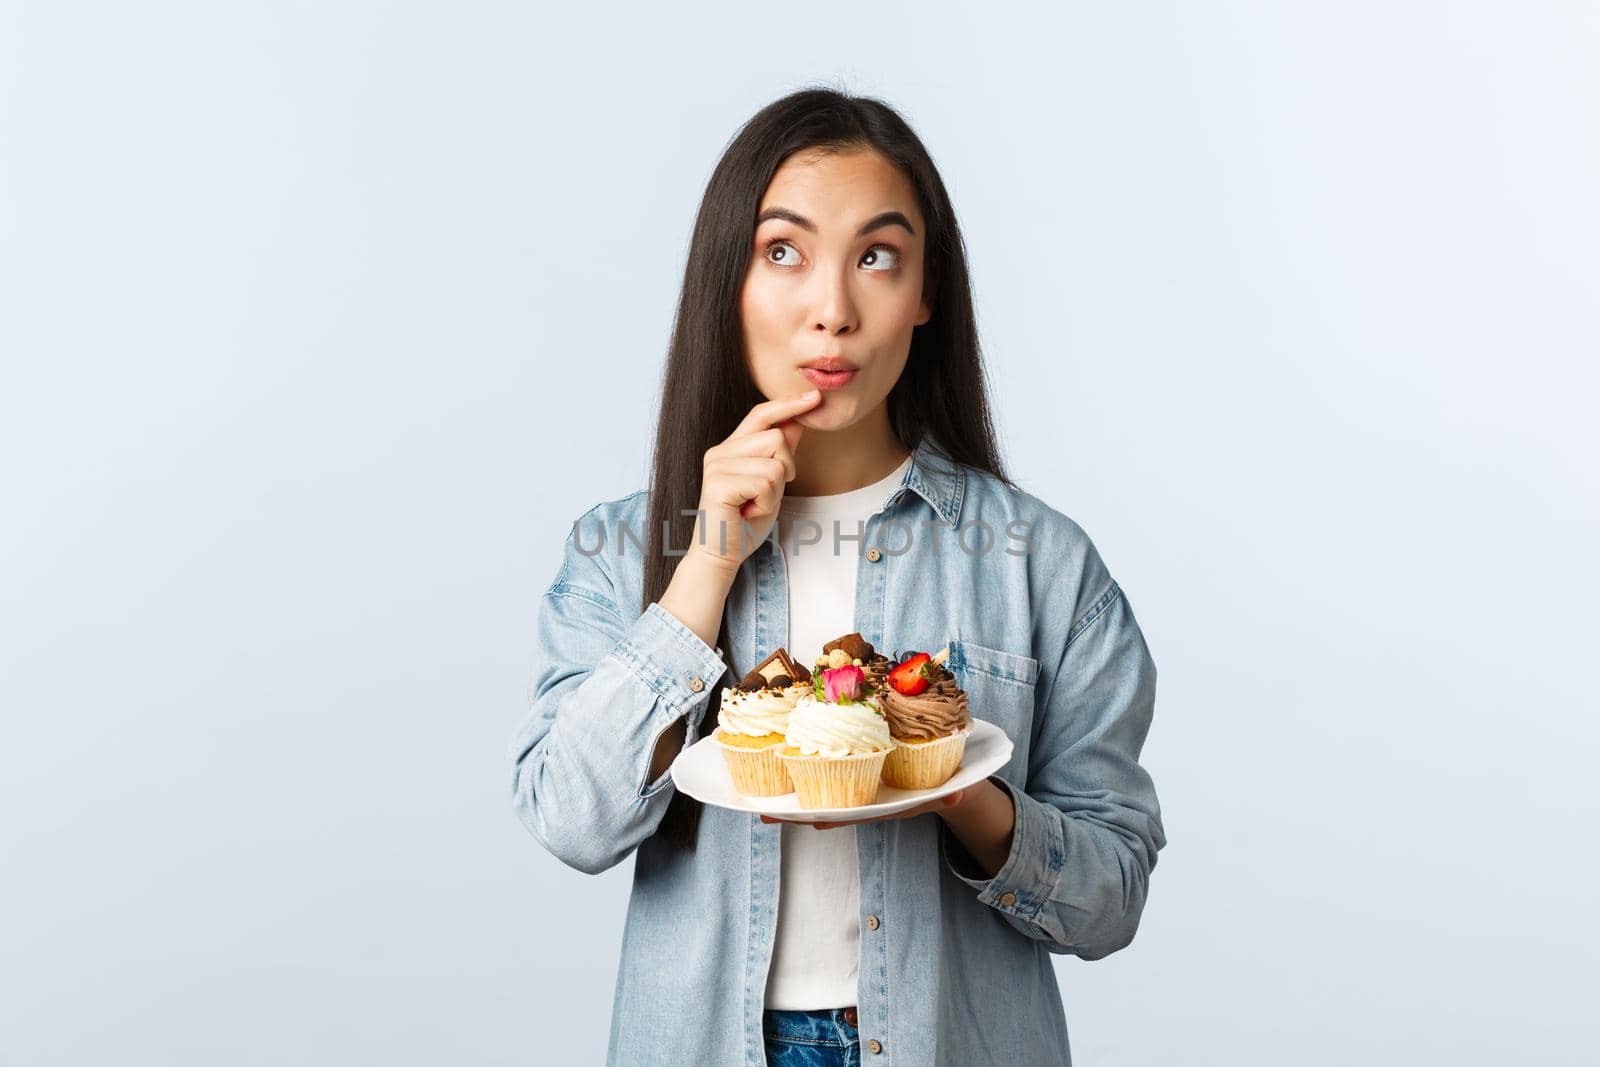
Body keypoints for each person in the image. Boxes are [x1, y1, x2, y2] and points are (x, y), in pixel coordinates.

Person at [510, 87, 1165, 1066]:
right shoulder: (619, 546)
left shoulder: (1043, 563)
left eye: (875, 257)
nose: (831, 310)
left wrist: (956, 789)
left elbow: (1109, 899)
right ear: (727, 280)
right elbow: (571, 819)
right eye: (785, 252)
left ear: (924, 292)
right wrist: (705, 568)